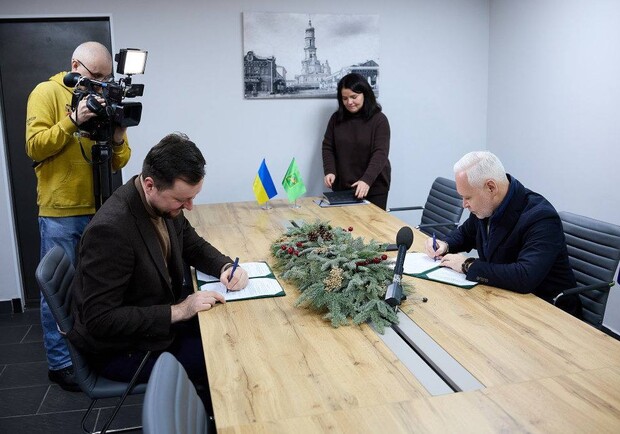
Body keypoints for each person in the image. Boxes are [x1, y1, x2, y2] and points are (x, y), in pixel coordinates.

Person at [68, 132, 249, 408]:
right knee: (224, 360)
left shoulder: (163, 204)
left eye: (192, 198)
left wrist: (224, 266)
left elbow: (191, 243)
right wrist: (179, 310)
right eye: (182, 200)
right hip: (122, 350)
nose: (189, 206)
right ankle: (208, 419)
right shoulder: (111, 231)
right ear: (150, 185)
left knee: (230, 337)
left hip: (152, 322)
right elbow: (100, 319)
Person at [25, 41, 131, 391]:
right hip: (61, 210)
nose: (101, 83)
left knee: (94, 288)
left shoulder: (103, 96)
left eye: (106, 77)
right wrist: (73, 120)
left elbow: (119, 161)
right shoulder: (46, 92)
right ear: (75, 66)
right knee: (59, 293)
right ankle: (60, 363)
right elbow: (34, 146)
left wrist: (118, 137)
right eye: (95, 75)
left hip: (99, 207)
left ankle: (92, 352)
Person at [425, 151, 581, 316]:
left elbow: (524, 276)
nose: (464, 205)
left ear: (491, 187)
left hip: (547, 312)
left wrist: (467, 265)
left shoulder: (541, 217)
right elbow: (465, 234)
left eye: (468, 198)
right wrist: (445, 245)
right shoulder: (487, 206)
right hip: (502, 299)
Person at [322, 73, 391, 210]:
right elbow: (328, 147)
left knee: (372, 223)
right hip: (343, 186)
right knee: (343, 223)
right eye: (345, 98)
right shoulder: (336, 119)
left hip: (373, 187)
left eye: (354, 97)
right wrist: (330, 171)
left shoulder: (379, 120)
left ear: (365, 94)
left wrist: (366, 180)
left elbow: (380, 153)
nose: (349, 102)